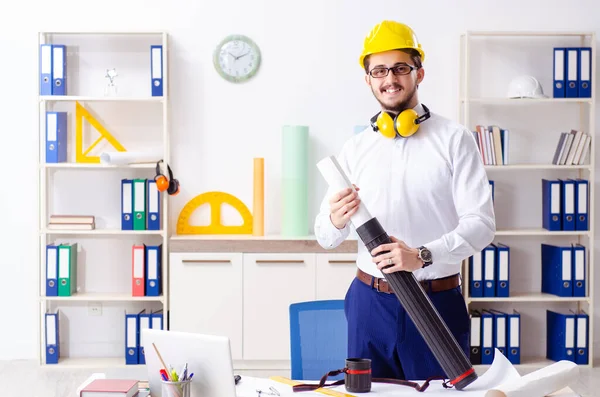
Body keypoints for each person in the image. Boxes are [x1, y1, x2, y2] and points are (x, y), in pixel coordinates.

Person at [314, 20, 496, 381]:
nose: (389, 79)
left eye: (400, 68)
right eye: (379, 70)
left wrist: (422, 254)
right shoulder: (356, 148)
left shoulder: (455, 139)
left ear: (419, 73)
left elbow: (482, 225)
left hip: (435, 301)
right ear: (368, 79)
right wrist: (335, 219)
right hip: (369, 304)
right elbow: (324, 235)